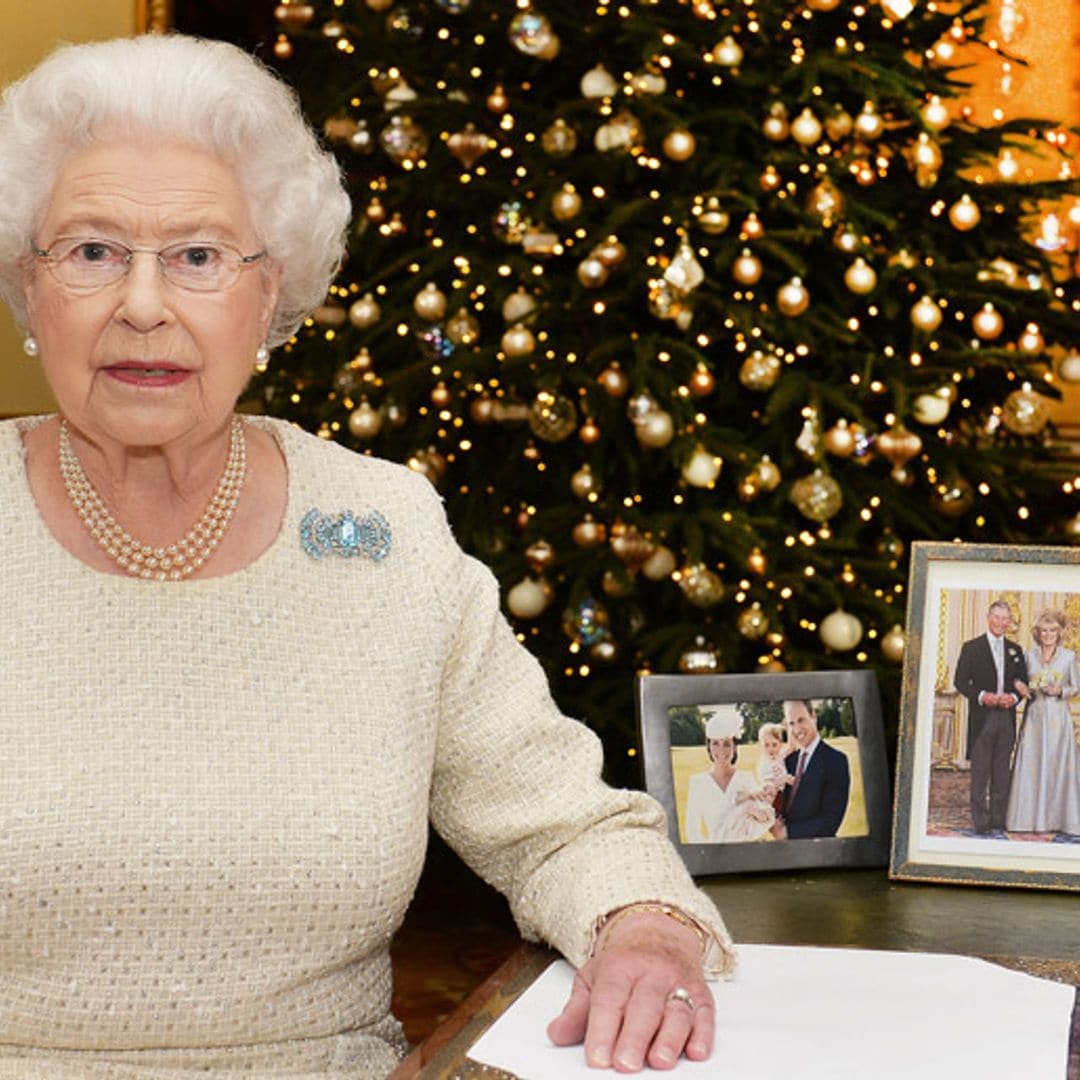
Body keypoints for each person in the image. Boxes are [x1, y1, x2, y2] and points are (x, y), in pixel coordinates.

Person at [0, 35, 735, 1075]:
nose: (145, 305)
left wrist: (646, 929)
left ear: (273, 295)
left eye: (200, 256)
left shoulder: (381, 533)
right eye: (91, 251)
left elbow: (563, 827)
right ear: (29, 291)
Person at [953, 600, 1029, 834]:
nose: (1001, 622)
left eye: (1005, 618)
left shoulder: (1015, 650)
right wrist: (983, 696)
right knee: (980, 772)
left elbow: (1023, 683)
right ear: (989, 617)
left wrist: (1014, 699)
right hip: (982, 719)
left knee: (1001, 771)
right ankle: (981, 821)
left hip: (1006, 718)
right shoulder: (971, 647)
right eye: (997, 617)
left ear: (1010, 622)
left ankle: (998, 818)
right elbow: (960, 681)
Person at [1005, 611, 1080, 835]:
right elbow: (1018, 680)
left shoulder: (1069, 656)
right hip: (1035, 717)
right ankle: (1026, 820)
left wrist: (1060, 690)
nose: (1048, 635)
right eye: (1044, 631)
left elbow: (1076, 687)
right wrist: (1020, 685)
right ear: (1037, 633)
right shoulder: (1028, 655)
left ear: (1059, 633)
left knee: (1057, 766)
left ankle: (1059, 820)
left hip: (1058, 719)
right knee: (1032, 765)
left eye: (1053, 631)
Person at [684, 713, 775, 844]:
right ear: (708, 746)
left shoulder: (746, 778)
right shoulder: (698, 782)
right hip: (715, 856)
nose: (721, 751)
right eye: (715, 743)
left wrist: (750, 808)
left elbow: (766, 818)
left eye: (726, 744)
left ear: (734, 747)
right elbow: (692, 832)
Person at [771, 699, 850, 839]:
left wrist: (787, 832)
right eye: (791, 723)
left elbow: (830, 821)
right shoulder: (789, 760)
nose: (796, 729)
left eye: (801, 720)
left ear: (813, 716)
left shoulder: (836, 761)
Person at [755, 720, 792, 811]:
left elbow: (792, 747)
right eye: (766, 745)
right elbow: (769, 786)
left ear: (780, 744)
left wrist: (790, 729)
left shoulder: (779, 756)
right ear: (761, 746)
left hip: (782, 795)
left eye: (774, 745)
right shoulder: (764, 763)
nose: (771, 749)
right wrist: (785, 779)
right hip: (771, 798)